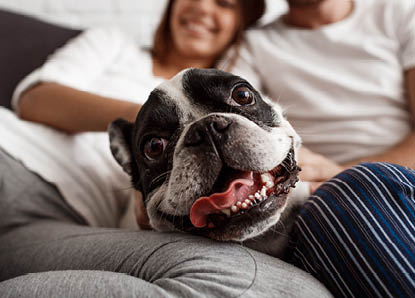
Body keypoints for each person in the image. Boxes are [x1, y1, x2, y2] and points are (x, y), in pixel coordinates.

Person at [0, 1, 333, 297]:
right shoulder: (115, 44)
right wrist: (151, 118)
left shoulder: (248, 73)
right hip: (12, 156)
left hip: (58, 220)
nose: (203, 7)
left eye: (224, 3)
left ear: (240, 24)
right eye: (155, 145)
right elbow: (35, 99)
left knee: (259, 281)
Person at [229, 0, 415, 297]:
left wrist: (344, 174)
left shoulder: (399, 13)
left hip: (399, 179)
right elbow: (231, 123)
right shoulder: (253, 45)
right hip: (325, 200)